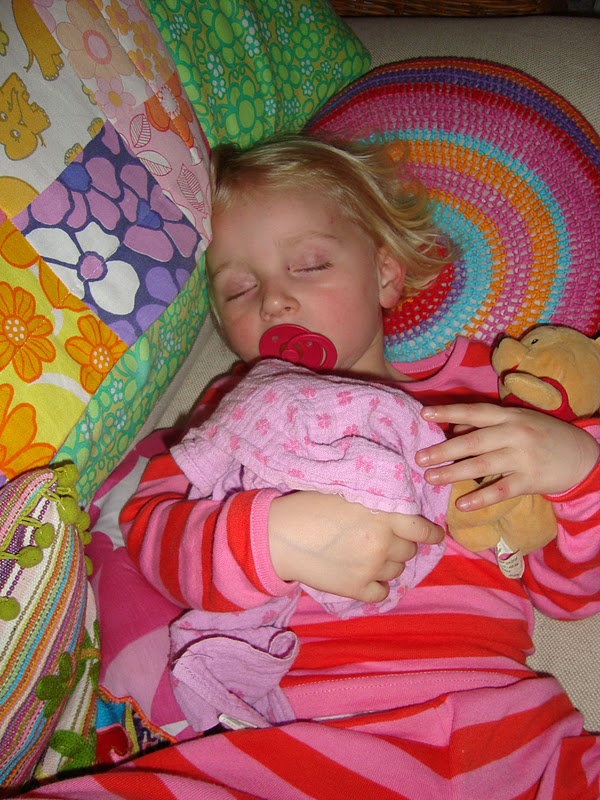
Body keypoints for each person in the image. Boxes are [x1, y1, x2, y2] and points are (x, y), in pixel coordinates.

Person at [118, 135, 600, 798]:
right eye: (239, 289)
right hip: (309, 746)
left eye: (310, 264)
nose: (273, 302)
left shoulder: (485, 393)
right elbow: (150, 527)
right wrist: (270, 537)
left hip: (514, 737)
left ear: (385, 275)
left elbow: (571, 593)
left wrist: (579, 471)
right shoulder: (236, 410)